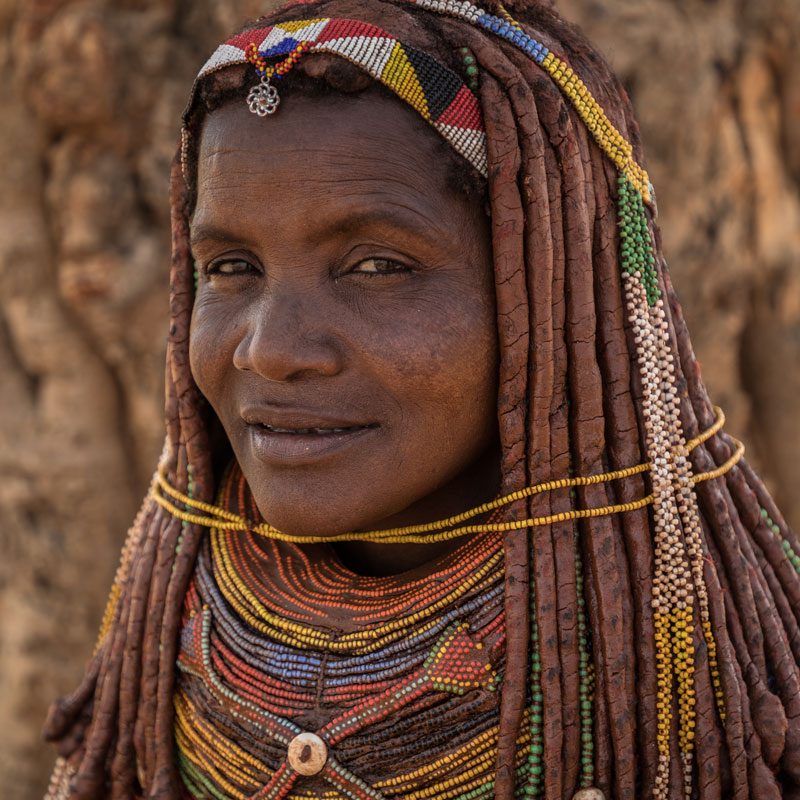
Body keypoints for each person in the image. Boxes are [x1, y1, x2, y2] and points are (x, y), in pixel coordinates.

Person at [42, 1, 800, 798]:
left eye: (375, 267)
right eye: (232, 267)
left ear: (555, 291)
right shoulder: (170, 626)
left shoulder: (675, 665)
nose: (271, 349)